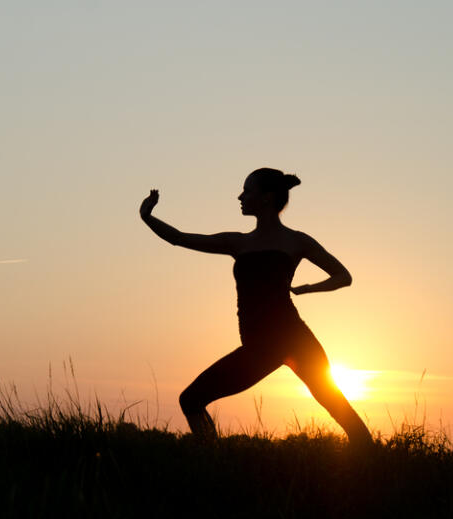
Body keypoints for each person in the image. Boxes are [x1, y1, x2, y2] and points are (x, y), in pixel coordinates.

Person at [139, 168, 371, 445]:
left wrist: (309, 288)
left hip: (294, 339)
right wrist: (147, 217)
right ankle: (214, 462)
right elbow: (180, 238)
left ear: (266, 198)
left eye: (247, 191)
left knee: (338, 408)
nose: (240, 196)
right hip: (259, 347)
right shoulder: (238, 242)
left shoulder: (296, 240)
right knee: (191, 400)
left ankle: (372, 463)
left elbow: (343, 276)